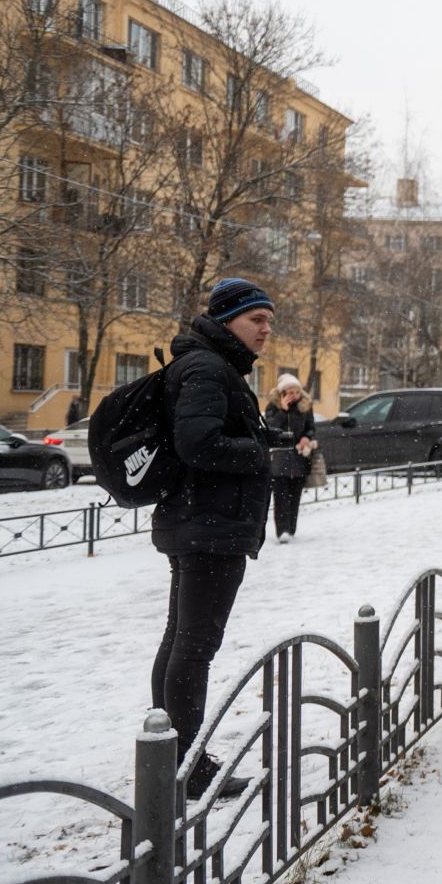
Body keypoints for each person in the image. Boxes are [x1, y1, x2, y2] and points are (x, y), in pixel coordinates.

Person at [150, 278, 277, 801]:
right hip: (210, 525)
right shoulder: (207, 367)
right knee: (195, 646)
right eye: (257, 320)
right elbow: (198, 443)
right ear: (227, 320)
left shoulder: (208, 364)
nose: (266, 330)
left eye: (270, 320)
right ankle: (186, 766)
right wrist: (262, 453)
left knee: (182, 638)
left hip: (199, 521)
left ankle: (164, 750)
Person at [262, 373, 317, 543]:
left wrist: (306, 437)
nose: (294, 395)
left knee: (295, 495)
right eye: (290, 392)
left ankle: (291, 528)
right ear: (282, 393)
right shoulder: (273, 406)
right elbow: (269, 428)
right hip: (279, 457)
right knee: (281, 495)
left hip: (299, 456)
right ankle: (282, 531)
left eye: (297, 391)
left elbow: (311, 428)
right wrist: (283, 411)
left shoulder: (305, 406)